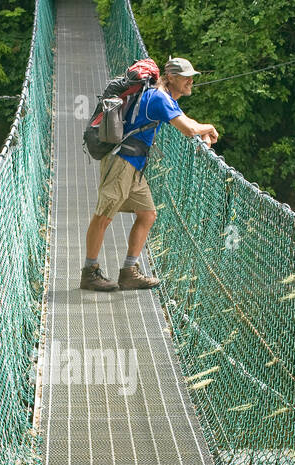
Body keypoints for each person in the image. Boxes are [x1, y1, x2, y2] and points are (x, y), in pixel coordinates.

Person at [80, 56, 219, 292]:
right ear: (171, 77)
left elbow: (186, 121)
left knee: (147, 214)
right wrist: (209, 129)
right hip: (122, 161)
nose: (190, 83)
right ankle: (89, 273)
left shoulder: (161, 95)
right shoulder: (158, 98)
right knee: (103, 215)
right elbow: (189, 129)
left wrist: (201, 130)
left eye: (192, 79)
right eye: (186, 78)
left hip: (134, 165)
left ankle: (129, 273)